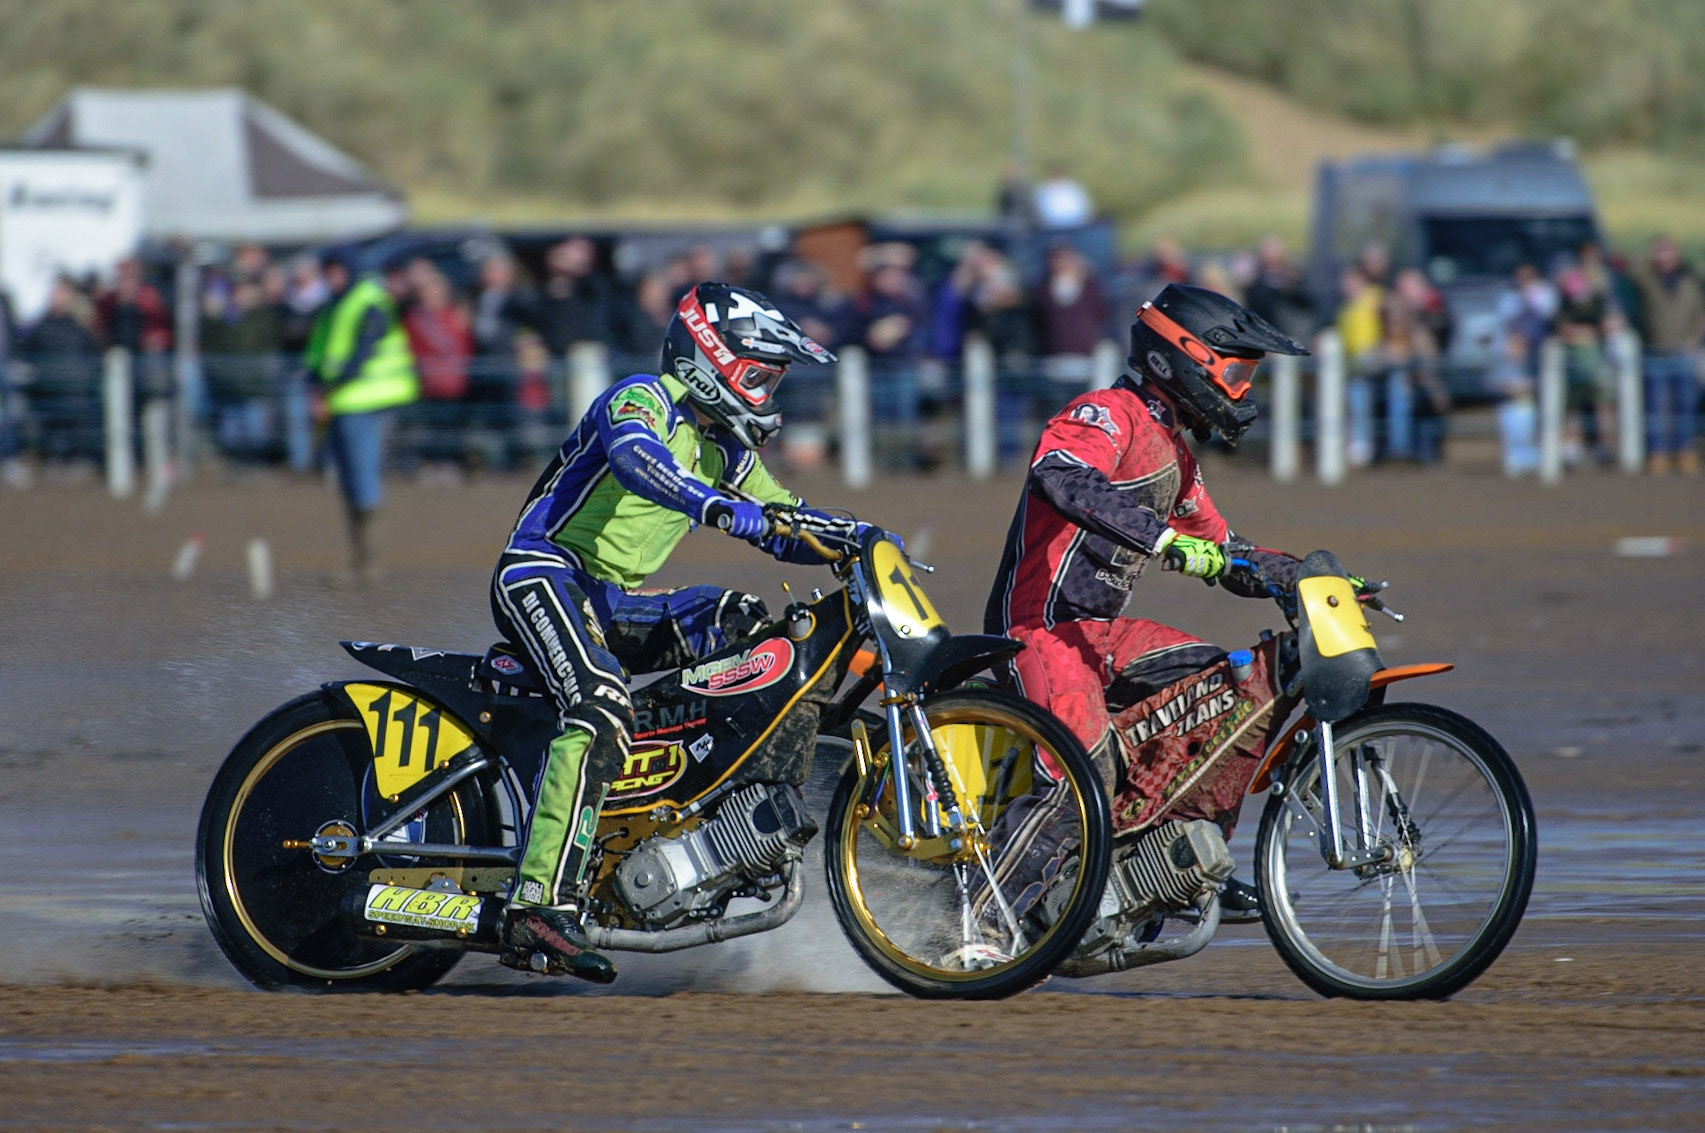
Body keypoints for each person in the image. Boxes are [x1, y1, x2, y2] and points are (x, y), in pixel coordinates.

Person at [491, 282, 871, 980]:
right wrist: (720, 509)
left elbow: (785, 521)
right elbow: (641, 463)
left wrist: (857, 537)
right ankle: (537, 903)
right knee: (601, 703)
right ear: (709, 357)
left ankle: (683, 813)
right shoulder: (642, 397)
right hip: (544, 572)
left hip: (614, 600)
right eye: (758, 373)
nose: (765, 390)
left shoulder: (727, 448)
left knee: (753, 631)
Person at [983, 283, 1312, 921]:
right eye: (1237, 373)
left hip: (1102, 635)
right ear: (1179, 357)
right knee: (1081, 768)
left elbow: (1228, 553)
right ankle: (979, 923)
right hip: (1039, 630)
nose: (1243, 391)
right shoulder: (1107, 412)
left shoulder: (1177, 459)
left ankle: (1174, 863)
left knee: (1229, 687)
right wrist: (1163, 539)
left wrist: (1310, 577)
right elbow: (1059, 475)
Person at [309, 257, 420, 581]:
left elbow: (361, 352)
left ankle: (369, 564)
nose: (330, 277)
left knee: (362, 478)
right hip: (343, 401)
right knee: (350, 480)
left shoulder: (369, 301)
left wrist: (328, 387)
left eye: (335, 269)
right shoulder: (339, 304)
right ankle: (361, 561)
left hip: (365, 399)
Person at [1630, 235, 1705, 475]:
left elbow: (1701, 311)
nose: (1664, 256)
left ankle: (1685, 451)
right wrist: (1651, 255)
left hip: (1684, 351)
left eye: (1668, 251)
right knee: (1654, 405)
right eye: (1659, 251)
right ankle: (1657, 453)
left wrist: (1695, 338)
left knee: (1686, 403)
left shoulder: (1691, 278)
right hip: (1655, 350)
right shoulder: (1647, 278)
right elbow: (1630, 267)